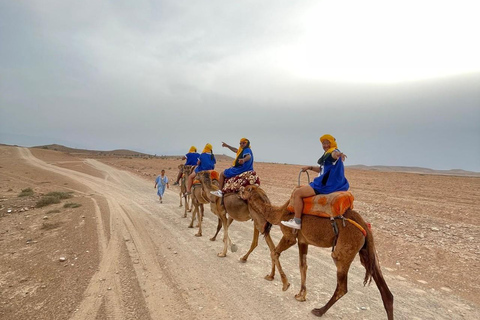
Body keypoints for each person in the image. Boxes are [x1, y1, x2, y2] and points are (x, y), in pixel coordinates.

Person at [281, 134, 349, 229]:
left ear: (332, 143)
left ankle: (297, 221)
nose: (325, 145)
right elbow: (323, 170)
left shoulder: (333, 152)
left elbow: (334, 155)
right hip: (335, 184)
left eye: (327, 143)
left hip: (325, 185)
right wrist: (310, 167)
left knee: (297, 193)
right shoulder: (328, 153)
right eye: (323, 143)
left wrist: (338, 154)